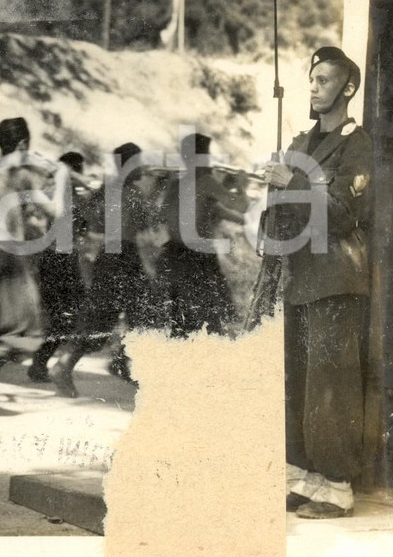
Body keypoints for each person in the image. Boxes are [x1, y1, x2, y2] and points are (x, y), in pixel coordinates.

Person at [263, 47, 372, 519]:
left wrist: (292, 183)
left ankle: (337, 486)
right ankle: (306, 478)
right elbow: (282, 213)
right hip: (299, 277)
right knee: (298, 383)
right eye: (311, 78)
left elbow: (345, 215)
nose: (313, 87)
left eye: (324, 80)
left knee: (332, 385)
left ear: (348, 88)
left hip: (337, 278)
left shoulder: (358, 144)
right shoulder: (299, 144)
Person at [0, 118, 71, 419]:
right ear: (22, 145)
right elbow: (56, 212)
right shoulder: (20, 173)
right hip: (8, 256)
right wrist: (61, 179)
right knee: (27, 333)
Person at [47, 142, 154, 396]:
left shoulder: (108, 191)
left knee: (120, 315)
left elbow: (92, 224)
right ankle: (72, 365)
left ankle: (120, 362)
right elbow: (145, 230)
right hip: (123, 258)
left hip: (109, 257)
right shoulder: (131, 194)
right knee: (119, 315)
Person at [156, 133, 250, 337]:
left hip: (173, 256)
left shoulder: (175, 184)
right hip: (197, 258)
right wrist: (241, 184)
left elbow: (165, 217)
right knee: (209, 323)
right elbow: (241, 207)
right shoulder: (206, 181)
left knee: (181, 323)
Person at [29, 152, 89, 383]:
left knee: (62, 317)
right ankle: (43, 364)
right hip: (59, 258)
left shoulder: (58, 194)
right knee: (63, 317)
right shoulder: (63, 196)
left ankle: (42, 363)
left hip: (57, 257)